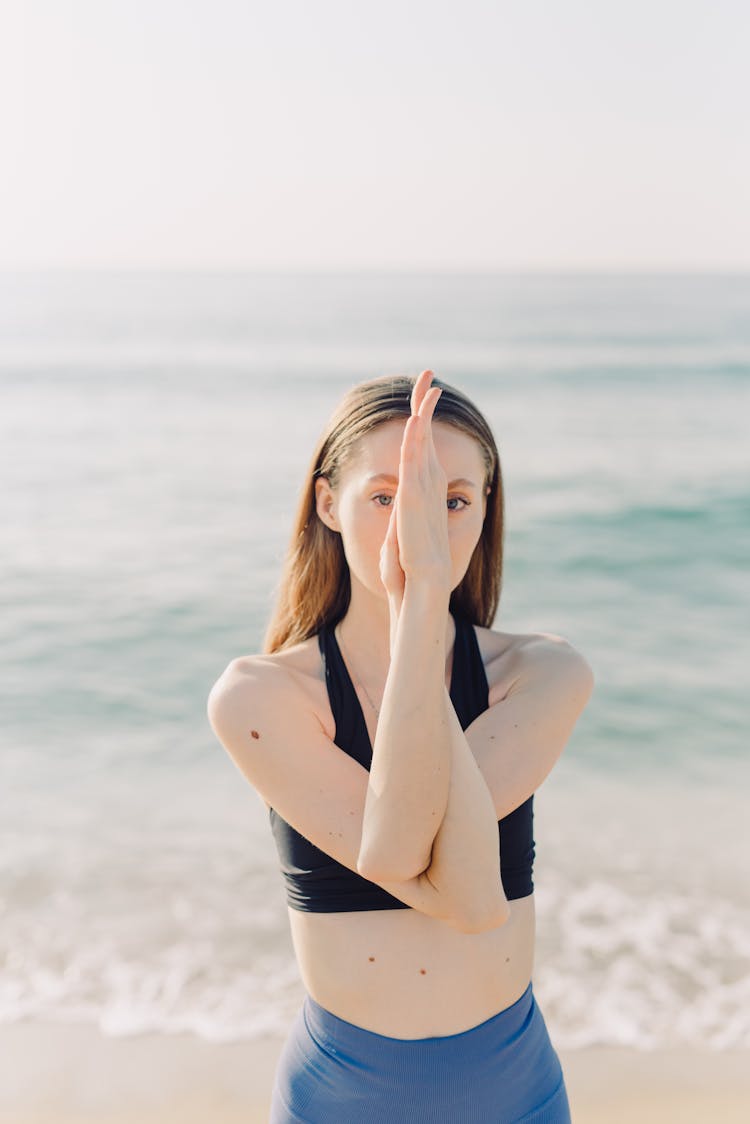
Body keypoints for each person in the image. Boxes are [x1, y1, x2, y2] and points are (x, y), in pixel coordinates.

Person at [207, 369, 594, 1122]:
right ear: (327, 503)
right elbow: (400, 858)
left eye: (451, 501)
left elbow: (474, 896)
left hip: (514, 1092)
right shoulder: (260, 698)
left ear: (488, 510)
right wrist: (421, 605)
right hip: (344, 1099)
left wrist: (419, 613)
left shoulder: (543, 673)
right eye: (386, 497)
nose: (417, 530)